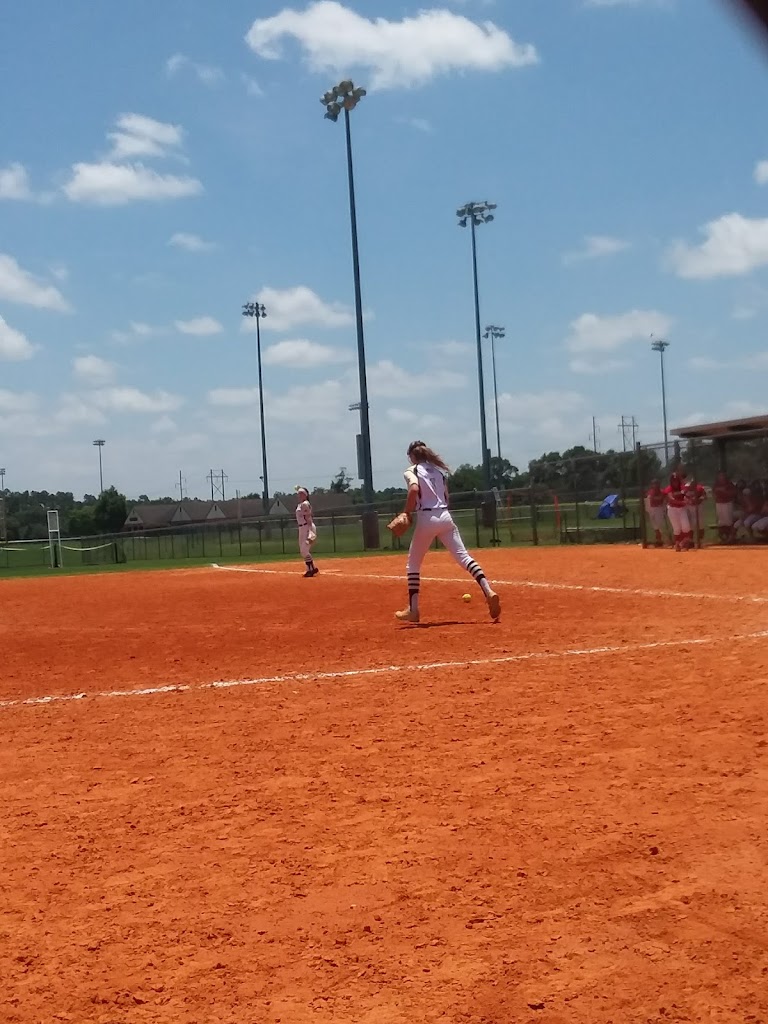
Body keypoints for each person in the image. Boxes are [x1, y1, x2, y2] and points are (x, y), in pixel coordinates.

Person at [394, 440, 500, 624]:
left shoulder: (412, 470)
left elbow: (413, 489)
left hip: (427, 518)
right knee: (465, 558)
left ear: (412, 456)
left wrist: (406, 512)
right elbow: (447, 498)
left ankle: (413, 609)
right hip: (445, 515)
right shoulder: (439, 472)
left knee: (413, 565)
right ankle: (488, 590)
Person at [295, 486, 318, 577]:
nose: (299, 495)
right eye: (298, 494)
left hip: (307, 528)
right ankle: (310, 569)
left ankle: (311, 569)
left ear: (305, 495)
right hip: (302, 529)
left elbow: (308, 517)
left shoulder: (305, 504)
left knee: (304, 549)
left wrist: (310, 531)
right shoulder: (300, 505)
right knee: (302, 550)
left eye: (301, 494)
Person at [664, 475, 690, 552]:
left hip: (682, 509)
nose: (675, 482)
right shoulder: (669, 489)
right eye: (673, 481)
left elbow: (686, 495)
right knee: (677, 528)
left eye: (676, 480)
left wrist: (687, 499)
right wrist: (682, 502)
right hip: (672, 509)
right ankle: (677, 544)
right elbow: (671, 500)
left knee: (686, 527)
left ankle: (682, 543)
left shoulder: (682, 488)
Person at [712, 471, 737, 543]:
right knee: (721, 521)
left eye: (723, 476)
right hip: (719, 503)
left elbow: (733, 493)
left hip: (728, 503)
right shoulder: (716, 484)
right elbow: (714, 493)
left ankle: (730, 537)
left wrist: (724, 492)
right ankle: (723, 537)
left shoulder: (729, 484)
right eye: (720, 476)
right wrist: (718, 493)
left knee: (728, 520)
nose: (721, 477)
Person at [645, 479, 667, 547]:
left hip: (659, 509)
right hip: (652, 509)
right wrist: (648, 511)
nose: (655, 485)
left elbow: (661, 499)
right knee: (655, 526)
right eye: (654, 484)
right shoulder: (650, 492)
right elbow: (649, 500)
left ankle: (660, 540)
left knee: (659, 526)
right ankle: (658, 540)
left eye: (656, 484)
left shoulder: (662, 491)